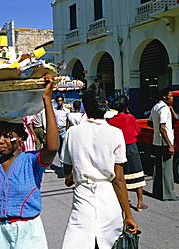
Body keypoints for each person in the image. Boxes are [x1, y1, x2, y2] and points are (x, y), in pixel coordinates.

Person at [0, 75, 59, 249]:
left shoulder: (32, 162)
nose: (0, 141)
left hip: (28, 233)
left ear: (21, 138)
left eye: (7, 135)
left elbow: (52, 147)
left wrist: (47, 100)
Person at [61, 84, 138, 249]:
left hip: (83, 199)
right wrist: (128, 215)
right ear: (105, 103)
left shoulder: (72, 133)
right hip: (108, 200)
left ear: (85, 108)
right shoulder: (115, 133)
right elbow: (118, 180)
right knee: (109, 244)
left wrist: (71, 177)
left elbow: (66, 169)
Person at [108, 96, 148, 212]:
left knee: (121, 176)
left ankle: (122, 200)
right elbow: (138, 131)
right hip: (131, 148)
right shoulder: (130, 118)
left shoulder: (111, 121)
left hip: (117, 149)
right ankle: (140, 202)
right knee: (137, 175)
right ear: (126, 107)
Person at [147, 88, 179, 201]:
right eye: (170, 95)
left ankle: (157, 192)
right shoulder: (164, 109)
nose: (172, 97)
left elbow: (149, 122)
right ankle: (168, 194)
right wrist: (170, 144)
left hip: (157, 141)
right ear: (164, 97)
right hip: (165, 142)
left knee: (158, 168)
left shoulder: (155, 107)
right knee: (167, 170)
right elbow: (162, 127)